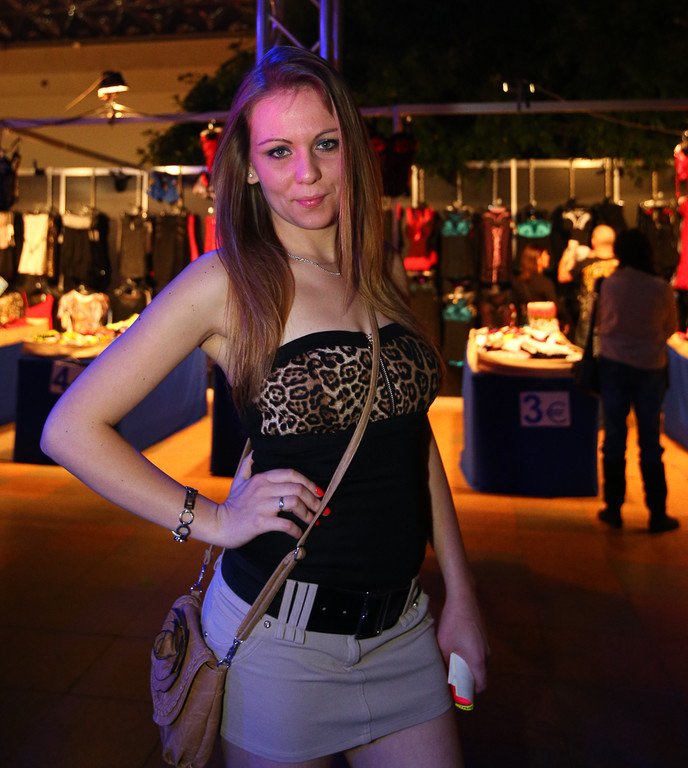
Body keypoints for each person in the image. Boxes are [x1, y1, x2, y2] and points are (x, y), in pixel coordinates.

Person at [41, 47, 488, 767]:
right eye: (279, 151)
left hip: (404, 632)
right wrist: (213, 519)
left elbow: (412, 441)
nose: (306, 172)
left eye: (325, 144)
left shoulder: (377, 270)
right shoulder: (225, 282)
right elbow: (70, 428)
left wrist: (461, 596)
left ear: (352, 148)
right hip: (281, 645)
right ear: (248, 166)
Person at [596, 228, 679, 533]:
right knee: (650, 440)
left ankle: (613, 508)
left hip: (614, 366)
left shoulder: (609, 284)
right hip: (650, 367)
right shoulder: (660, 287)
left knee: (614, 436)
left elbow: (601, 323)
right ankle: (657, 512)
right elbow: (670, 327)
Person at [557, 223, 618, 346]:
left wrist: (569, 251)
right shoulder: (622, 266)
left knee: (584, 354)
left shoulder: (585, 264)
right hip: (617, 321)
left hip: (589, 322)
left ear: (593, 241)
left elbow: (563, 277)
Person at [512, 244, 568, 330]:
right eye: (545, 254)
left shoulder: (518, 281)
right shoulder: (545, 283)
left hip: (525, 326)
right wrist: (566, 320)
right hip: (544, 328)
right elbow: (556, 307)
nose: (549, 257)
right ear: (538, 259)